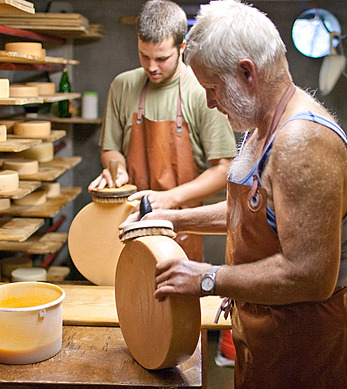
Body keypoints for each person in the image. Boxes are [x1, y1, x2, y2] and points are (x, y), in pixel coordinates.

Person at [128, 1, 347, 389]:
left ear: (247, 72)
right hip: (270, 339)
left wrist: (208, 278)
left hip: (309, 351)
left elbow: (310, 275)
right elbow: (253, 216)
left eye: (212, 87)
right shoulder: (264, 126)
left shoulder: (301, 143)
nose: (208, 102)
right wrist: (170, 218)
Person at [88, 0, 237, 262]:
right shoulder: (123, 86)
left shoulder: (201, 90)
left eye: (162, 58)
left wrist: (169, 199)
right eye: (144, 56)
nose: (152, 67)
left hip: (179, 225)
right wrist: (116, 169)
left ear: (182, 47)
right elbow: (111, 149)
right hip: (129, 220)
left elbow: (223, 169)